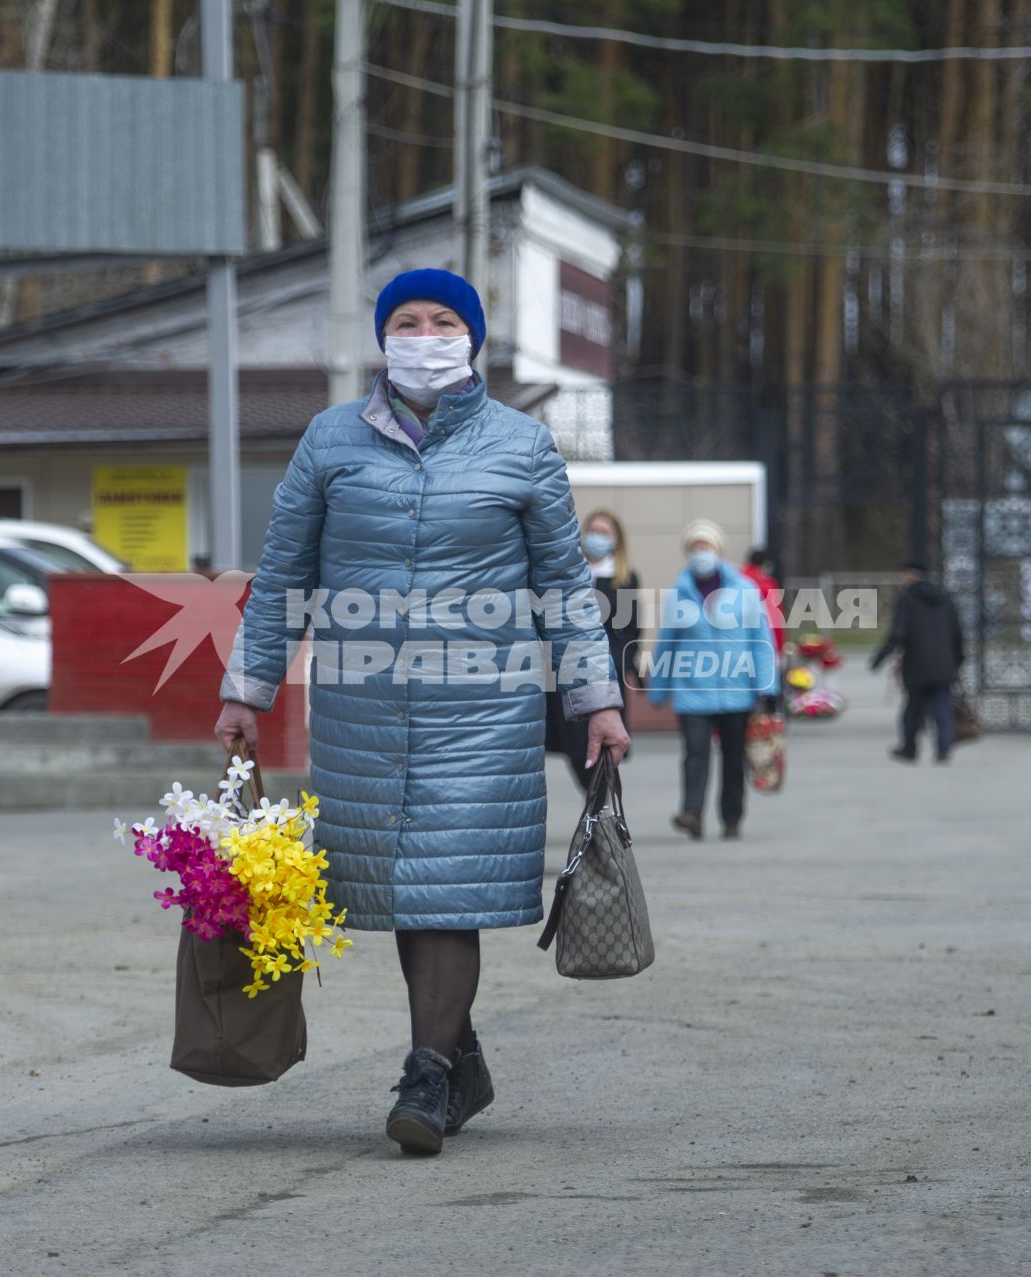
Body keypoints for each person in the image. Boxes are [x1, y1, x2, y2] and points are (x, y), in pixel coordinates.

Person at [214, 268, 629, 1157]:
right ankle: (459, 1055)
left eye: (445, 320)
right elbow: (283, 575)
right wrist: (246, 691)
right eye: (408, 320)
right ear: (382, 336)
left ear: (472, 338)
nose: (427, 333)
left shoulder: (522, 445)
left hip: (485, 711)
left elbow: (564, 586)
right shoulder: (330, 441)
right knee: (411, 886)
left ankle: (427, 1072)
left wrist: (596, 699)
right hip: (364, 708)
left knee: (448, 889)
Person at [645, 519, 778, 841]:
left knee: (733, 758)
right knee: (695, 752)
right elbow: (667, 644)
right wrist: (658, 689)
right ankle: (692, 812)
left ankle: (731, 817)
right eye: (695, 548)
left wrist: (768, 686)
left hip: (736, 691)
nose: (701, 553)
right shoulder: (679, 594)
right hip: (694, 691)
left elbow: (761, 639)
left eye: (706, 547)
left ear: (719, 551)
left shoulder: (744, 590)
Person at [544, 508, 643, 790]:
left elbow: (630, 628)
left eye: (604, 533)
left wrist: (622, 665)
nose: (596, 538)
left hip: (604, 670)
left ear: (616, 540)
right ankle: (596, 805)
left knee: (600, 744)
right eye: (593, 530)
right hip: (566, 670)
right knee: (574, 746)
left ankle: (602, 810)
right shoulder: (571, 573)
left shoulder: (623, 578)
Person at [870, 560, 966, 764]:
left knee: (913, 708)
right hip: (943, 662)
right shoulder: (946, 596)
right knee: (941, 706)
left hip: (916, 662)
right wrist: (959, 659)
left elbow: (898, 632)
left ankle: (909, 748)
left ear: (912, 574)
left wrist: (879, 658)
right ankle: (944, 748)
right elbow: (957, 631)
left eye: (904, 574)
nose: (902, 579)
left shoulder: (907, 598)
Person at [740, 546, 787, 712]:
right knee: (767, 696)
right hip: (765, 645)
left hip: (737, 648)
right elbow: (775, 621)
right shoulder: (767, 585)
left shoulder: (735, 581)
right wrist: (779, 649)